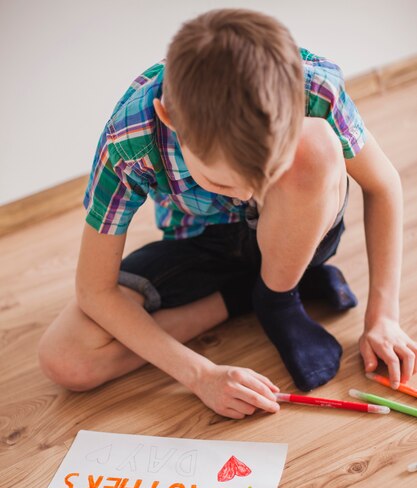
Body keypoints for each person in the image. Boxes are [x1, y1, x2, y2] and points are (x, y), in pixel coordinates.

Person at [39, 9, 417, 419]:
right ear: (170, 118)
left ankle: (278, 297)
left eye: (267, 174)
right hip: (203, 244)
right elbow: (94, 290)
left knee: (319, 146)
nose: (247, 196)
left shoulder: (312, 88)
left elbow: (383, 185)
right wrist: (200, 374)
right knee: (66, 358)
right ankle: (246, 295)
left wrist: (384, 316)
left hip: (300, 231)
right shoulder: (129, 139)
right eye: (220, 183)